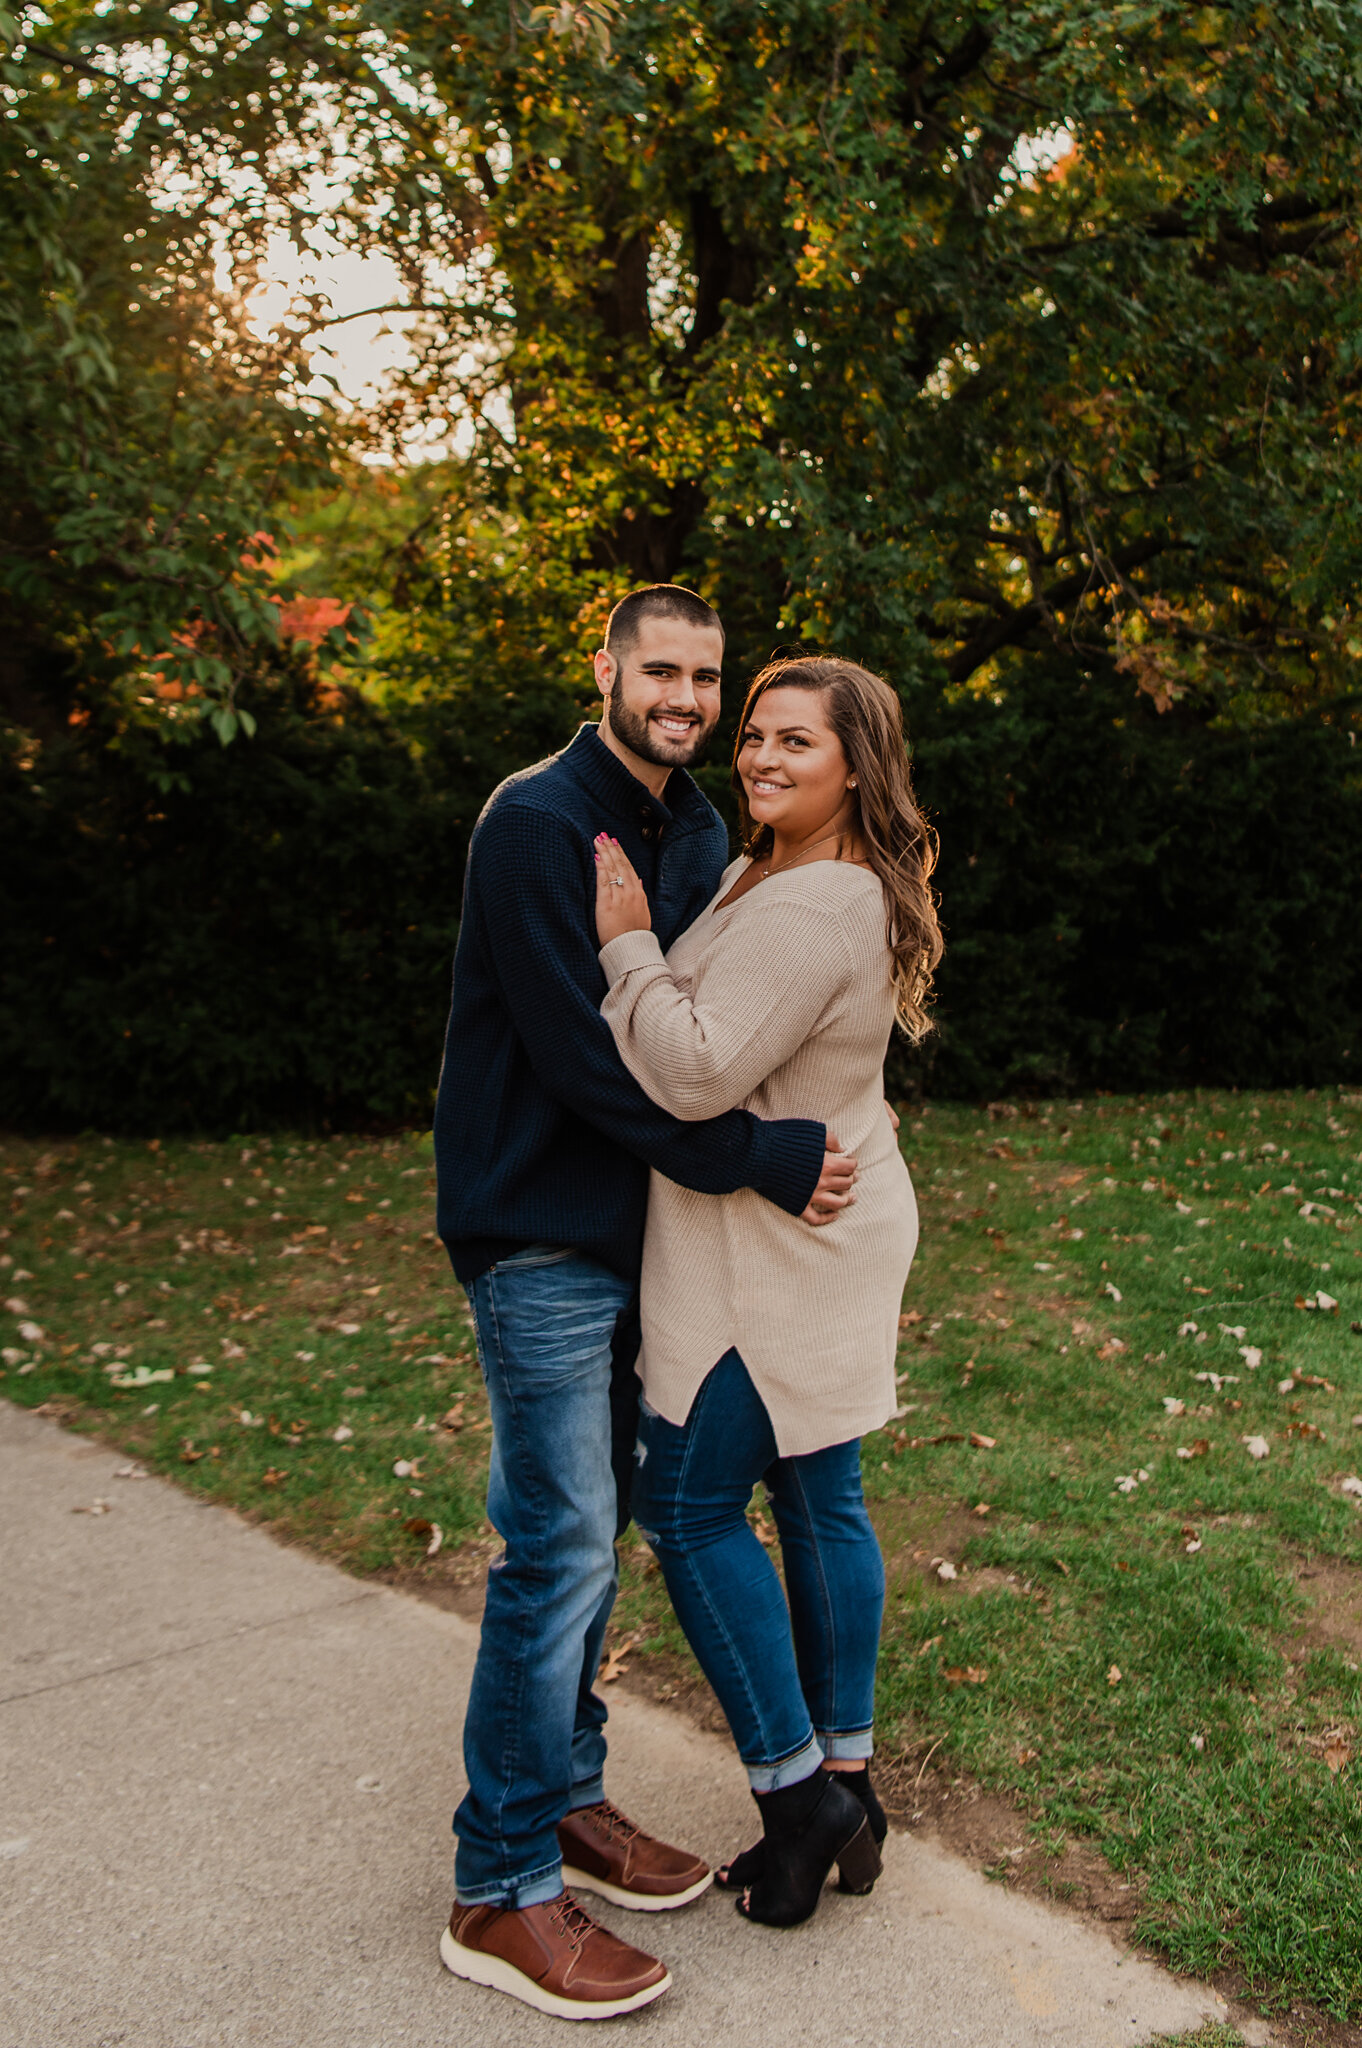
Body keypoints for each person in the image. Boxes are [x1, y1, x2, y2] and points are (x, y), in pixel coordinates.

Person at [432, 587, 860, 2019]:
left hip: (646, 1238)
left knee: (593, 1539)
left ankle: (562, 1793)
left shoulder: (688, 828)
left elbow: (698, 1034)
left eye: (704, 677)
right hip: (542, 1237)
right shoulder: (539, 823)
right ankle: (497, 1885)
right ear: (606, 670)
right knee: (555, 1548)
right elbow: (592, 1065)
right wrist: (767, 1160)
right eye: (659, 670)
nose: (683, 697)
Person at [593, 652, 943, 1929]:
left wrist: (626, 941)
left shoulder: (816, 903)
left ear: (858, 762)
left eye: (797, 740)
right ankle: (847, 1779)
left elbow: (691, 1072)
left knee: (685, 1507)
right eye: (755, 733)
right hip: (814, 1210)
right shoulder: (771, 867)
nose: (761, 755)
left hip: (781, 1247)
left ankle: (799, 1799)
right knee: (815, 1487)